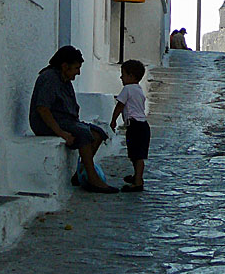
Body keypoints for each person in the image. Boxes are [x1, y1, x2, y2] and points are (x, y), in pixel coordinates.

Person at [29, 46, 118, 194]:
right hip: (47, 124)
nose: (78, 72)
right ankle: (92, 178)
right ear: (65, 66)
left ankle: (80, 174)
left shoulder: (64, 79)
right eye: (76, 68)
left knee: (98, 133)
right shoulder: (49, 79)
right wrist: (62, 133)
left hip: (65, 120)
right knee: (83, 134)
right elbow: (43, 109)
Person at [110, 59, 151, 192]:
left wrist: (113, 120)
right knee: (138, 154)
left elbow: (120, 106)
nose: (121, 77)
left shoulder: (127, 89)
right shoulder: (139, 90)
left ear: (131, 76)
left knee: (136, 155)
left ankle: (137, 182)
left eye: (123, 74)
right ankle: (137, 176)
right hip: (143, 126)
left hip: (134, 126)